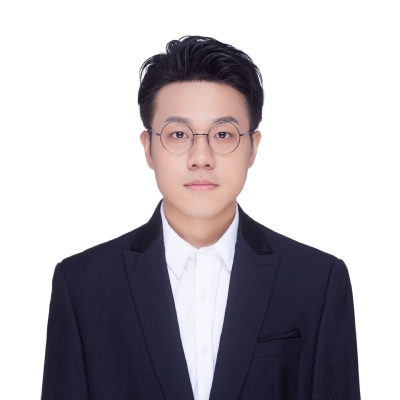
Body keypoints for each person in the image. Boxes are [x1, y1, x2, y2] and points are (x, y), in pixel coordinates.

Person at [41, 36, 361, 400]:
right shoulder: (83, 286)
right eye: (179, 134)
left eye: (223, 134)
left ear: (253, 147)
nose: (201, 158)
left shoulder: (318, 282)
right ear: (148, 148)